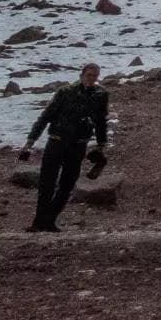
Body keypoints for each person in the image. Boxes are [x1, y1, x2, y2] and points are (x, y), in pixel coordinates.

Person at [20, 63, 110, 232]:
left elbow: (101, 121)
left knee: (67, 184)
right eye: (89, 75)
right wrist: (30, 141)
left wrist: (101, 145)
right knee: (47, 183)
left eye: (95, 76)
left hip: (78, 144)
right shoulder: (65, 92)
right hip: (57, 140)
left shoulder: (100, 95)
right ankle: (39, 222)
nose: (91, 79)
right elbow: (45, 117)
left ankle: (49, 220)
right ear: (81, 75)